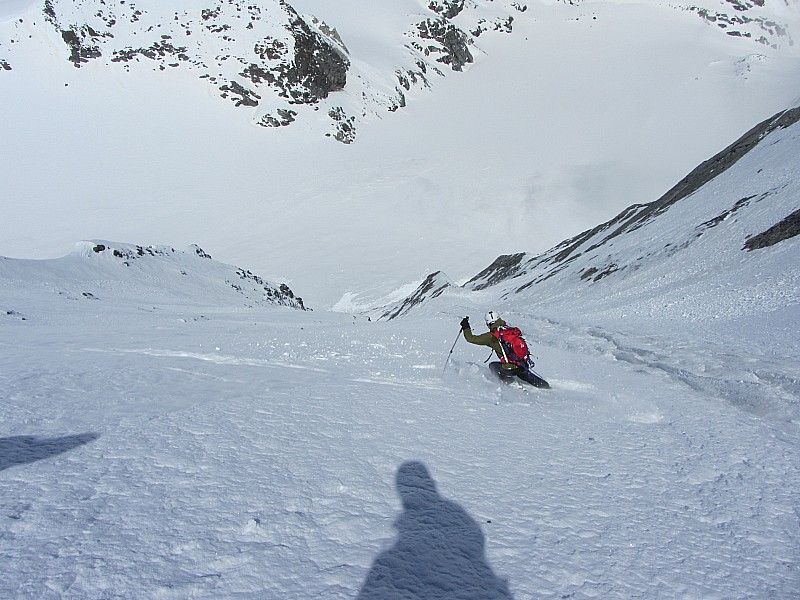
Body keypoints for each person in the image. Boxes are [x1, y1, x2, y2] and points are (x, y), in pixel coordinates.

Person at [460, 311, 521, 379]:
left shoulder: (491, 337)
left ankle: (507, 384)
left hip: (510, 369)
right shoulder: (509, 330)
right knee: (527, 376)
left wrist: (465, 327)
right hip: (523, 365)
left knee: (493, 366)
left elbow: (471, 338)